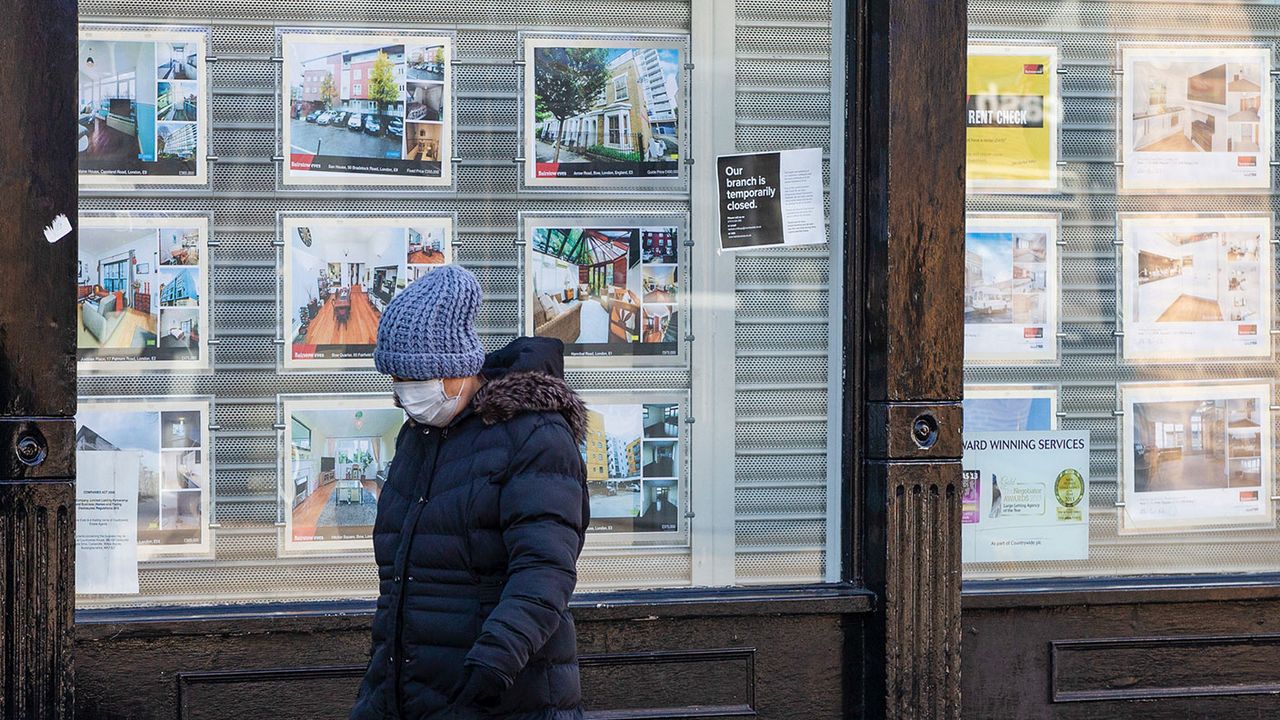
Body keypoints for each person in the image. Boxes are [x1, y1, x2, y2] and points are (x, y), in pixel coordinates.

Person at [349, 265, 589, 720]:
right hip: (413, 690)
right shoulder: (419, 435)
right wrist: (380, 688)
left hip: (502, 694)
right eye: (396, 381)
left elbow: (544, 569)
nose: (405, 395)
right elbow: (401, 578)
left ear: (458, 371)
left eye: (416, 380)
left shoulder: (533, 435)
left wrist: (489, 670)